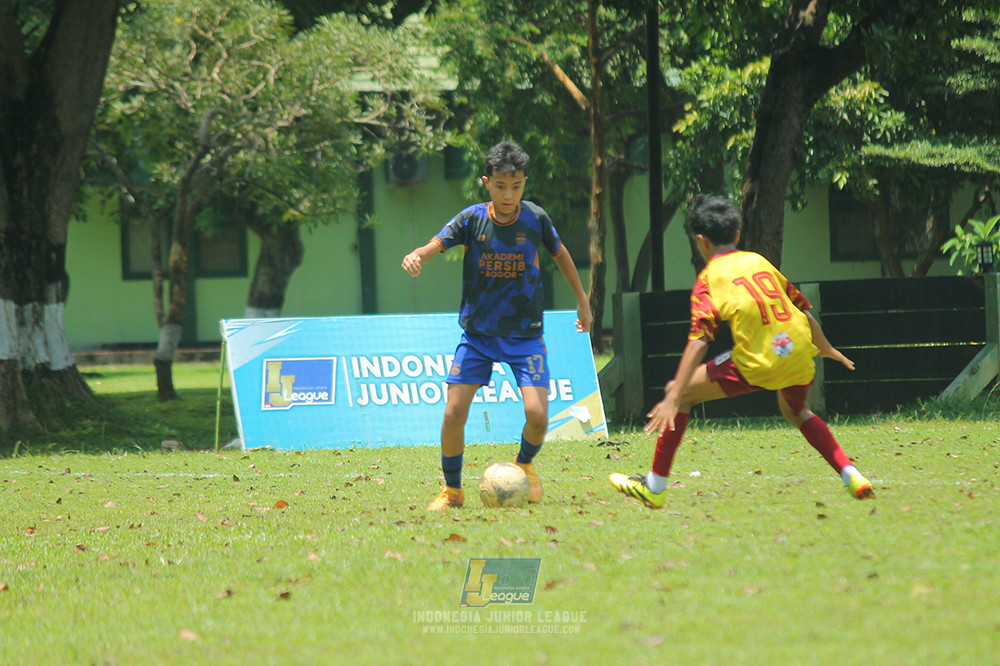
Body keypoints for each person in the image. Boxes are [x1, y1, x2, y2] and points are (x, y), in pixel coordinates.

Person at [609, 194, 874, 509]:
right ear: (736, 234)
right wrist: (827, 348)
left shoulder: (708, 278)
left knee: (679, 392)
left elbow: (700, 339)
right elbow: (801, 309)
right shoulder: (759, 261)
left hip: (759, 360)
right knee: (797, 411)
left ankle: (654, 487)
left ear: (701, 241)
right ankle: (851, 473)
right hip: (800, 350)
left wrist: (673, 396)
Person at [402, 140, 593, 510]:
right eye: (502, 186)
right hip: (478, 337)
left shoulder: (535, 219)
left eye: (517, 186)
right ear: (487, 182)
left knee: (538, 417)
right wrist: (417, 257)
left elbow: (561, 253)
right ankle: (452, 490)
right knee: (453, 413)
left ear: (524, 183)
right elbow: (438, 243)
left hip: (525, 337)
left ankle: (524, 467)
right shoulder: (472, 219)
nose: (509, 195)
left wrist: (582, 300)